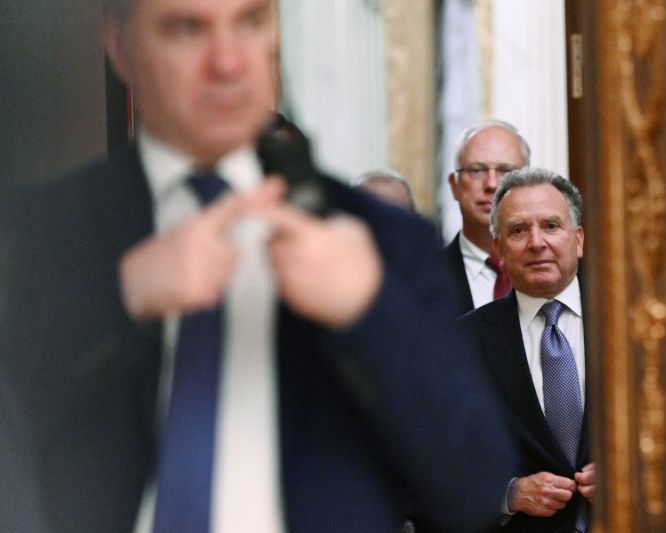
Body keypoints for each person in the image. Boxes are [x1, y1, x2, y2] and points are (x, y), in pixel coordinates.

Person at [0, 0, 519, 531]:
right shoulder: (38, 234)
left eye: (249, 22)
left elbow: (475, 485)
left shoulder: (384, 238)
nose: (228, 62)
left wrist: (371, 313)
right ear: (121, 48)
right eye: (187, 28)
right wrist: (118, 301)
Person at [460, 167, 595, 532]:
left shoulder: (633, 324)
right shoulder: (463, 343)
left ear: (578, 239)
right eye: (518, 230)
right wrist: (508, 494)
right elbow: (435, 463)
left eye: (551, 226)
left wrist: (630, 475)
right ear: (499, 250)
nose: (536, 242)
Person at [443, 120, 530, 315]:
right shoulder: (422, 280)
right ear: (454, 185)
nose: (491, 184)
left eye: (506, 171)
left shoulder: (568, 275)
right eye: (477, 170)